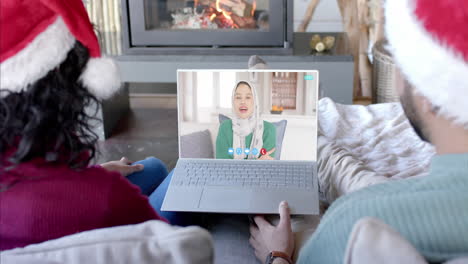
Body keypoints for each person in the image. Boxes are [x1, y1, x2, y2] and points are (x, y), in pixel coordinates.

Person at [249, 0, 468, 263]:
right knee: (352, 177)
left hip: (348, 227)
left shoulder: (357, 224)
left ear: (430, 93)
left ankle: (293, 117)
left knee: (299, 210)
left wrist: (278, 255)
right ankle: (300, 119)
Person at [0, 0, 174, 250]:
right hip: (104, 230)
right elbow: (171, 249)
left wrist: (99, 171)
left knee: (154, 168)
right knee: (181, 177)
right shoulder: (107, 197)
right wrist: (95, 181)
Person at [216, 81, 276, 160]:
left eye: (248, 97)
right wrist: (258, 162)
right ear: (233, 101)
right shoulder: (225, 128)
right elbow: (222, 166)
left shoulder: (269, 129)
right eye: (238, 97)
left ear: (255, 101)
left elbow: (267, 168)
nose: (243, 102)